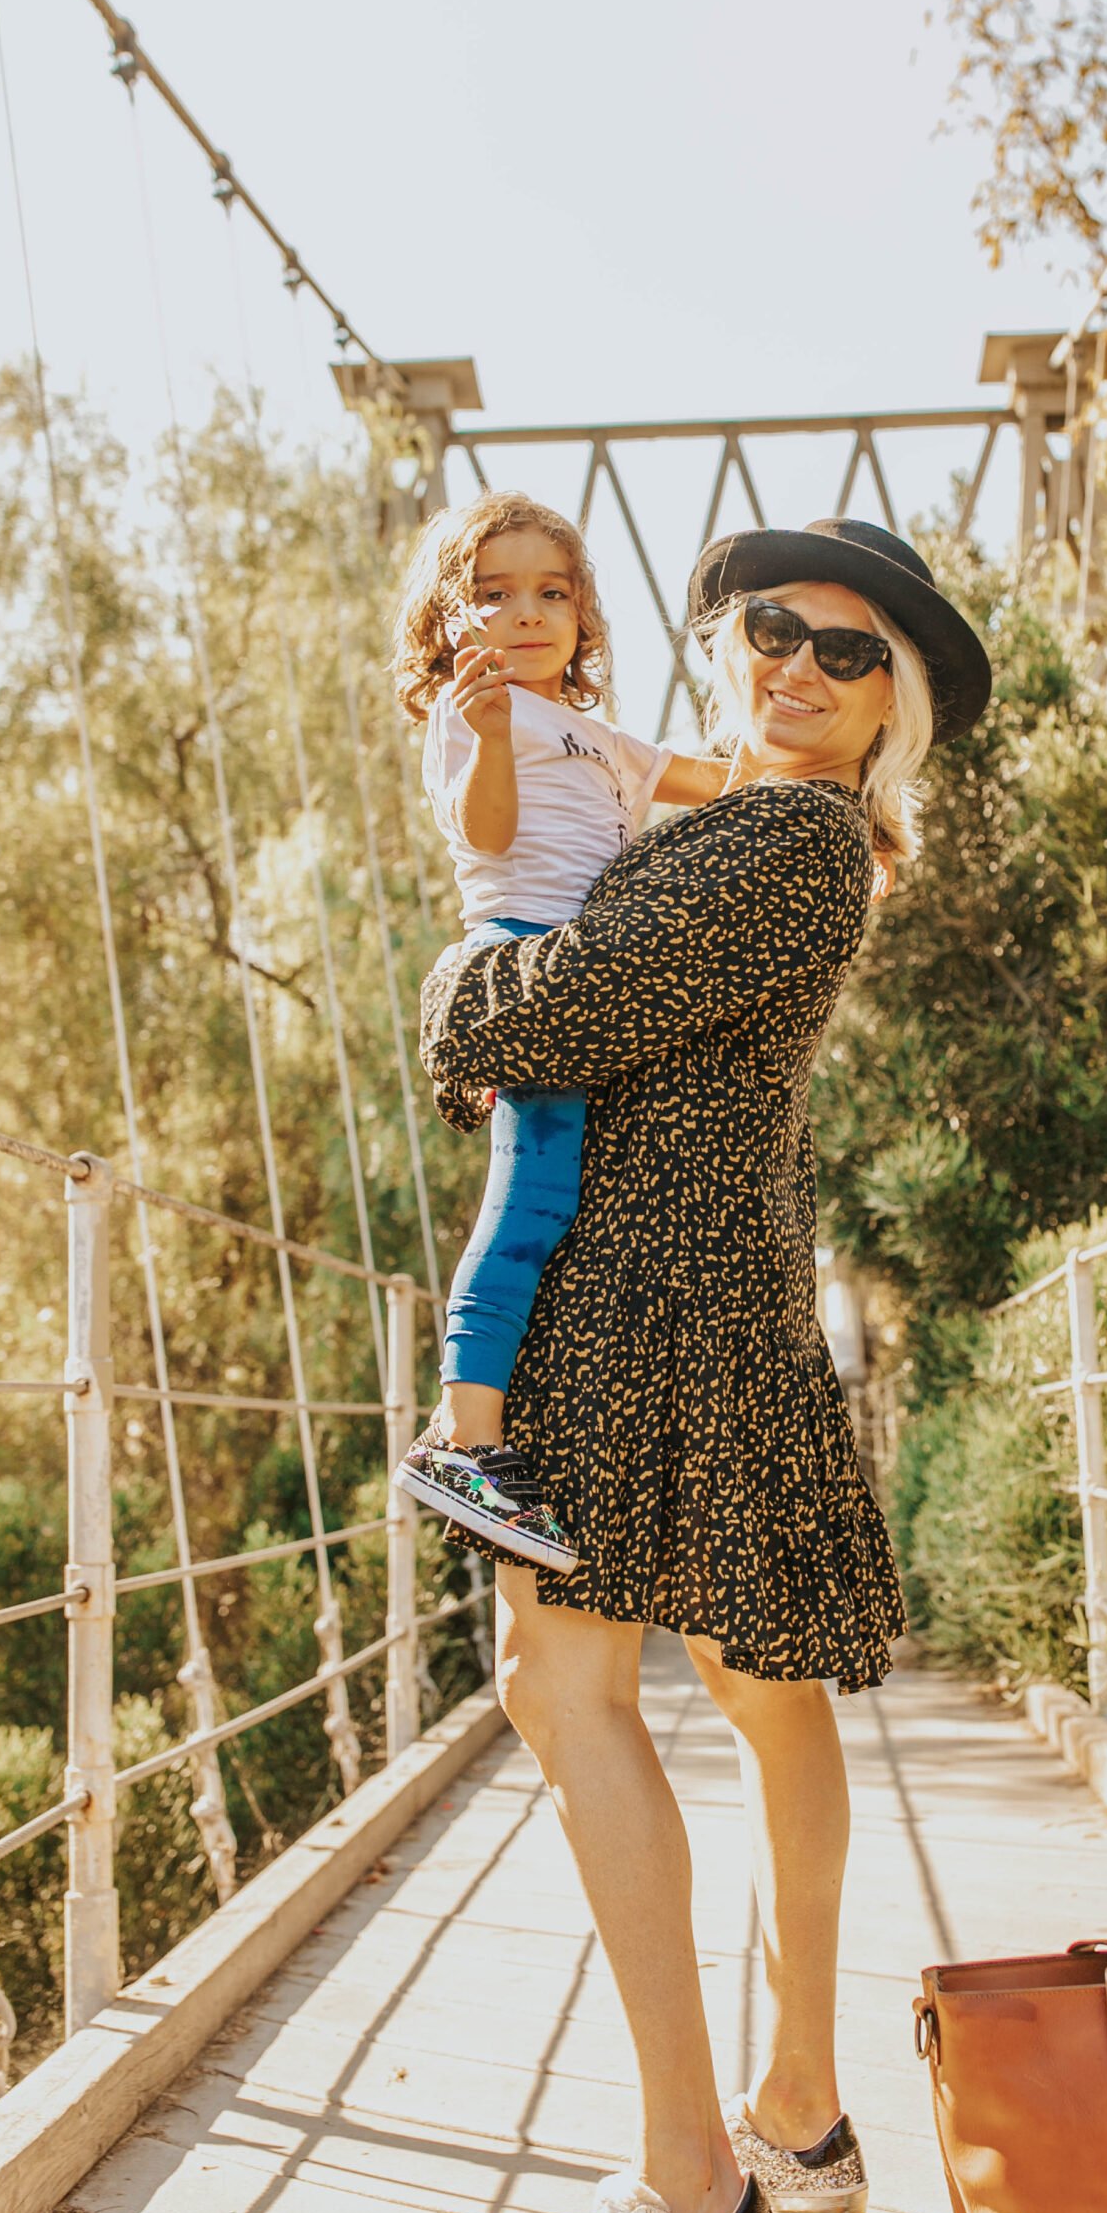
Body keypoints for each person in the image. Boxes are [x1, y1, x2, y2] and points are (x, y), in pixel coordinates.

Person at [418, 514, 991, 2213]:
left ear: (889, 702)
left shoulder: (776, 839)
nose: (794, 669)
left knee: (553, 1678)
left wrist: (452, 992)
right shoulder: (759, 830)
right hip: (719, 1278)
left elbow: (555, 1007)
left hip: (642, 1295)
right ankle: (799, 2116)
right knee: (759, 1687)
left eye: (845, 656)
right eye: (769, 632)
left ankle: (693, 2194)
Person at [390, 491, 723, 1574]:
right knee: (529, 1195)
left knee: (561, 1195)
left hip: (593, 973)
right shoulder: (475, 714)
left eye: (552, 592)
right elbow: (486, 836)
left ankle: (480, 1424)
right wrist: (488, 738)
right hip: (526, 964)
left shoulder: (592, 731)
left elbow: (714, 785)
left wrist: (844, 786)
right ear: (451, 622)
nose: (527, 614)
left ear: (582, 615)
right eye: (493, 595)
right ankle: (463, 1439)